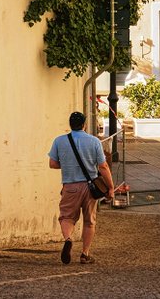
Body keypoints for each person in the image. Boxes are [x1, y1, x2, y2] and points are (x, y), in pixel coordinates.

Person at [48, 111, 115, 265]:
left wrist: (68, 164)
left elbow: (52, 164)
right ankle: (85, 254)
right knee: (89, 221)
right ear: (84, 124)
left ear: (70, 124)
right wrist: (110, 188)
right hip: (90, 187)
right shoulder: (94, 141)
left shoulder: (59, 141)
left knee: (66, 217)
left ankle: (68, 239)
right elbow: (103, 166)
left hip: (70, 186)